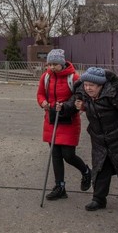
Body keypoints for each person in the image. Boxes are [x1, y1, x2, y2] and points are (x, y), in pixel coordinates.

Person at [57, 67, 118, 211]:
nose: (87, 88)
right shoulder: (82, 93)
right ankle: (98, 199)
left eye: (91, 86)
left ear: (101, 85)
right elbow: (73, 103)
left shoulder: (117, 94)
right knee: (100, 169)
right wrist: (63, 107)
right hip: (99, 139)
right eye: (86, 84)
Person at [36, 49, 91, 200]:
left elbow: (80, 96)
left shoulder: (74, 77)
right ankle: (59, 186)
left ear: (62, 63)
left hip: (69, 120)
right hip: (52, 119)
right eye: (49, 64)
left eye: (55, 64)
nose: (52, 67)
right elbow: (40, 94)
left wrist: (66, 106)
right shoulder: (46, 77)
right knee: (55, 155)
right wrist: (43, 103)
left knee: (68, 155)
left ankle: (86, 171)